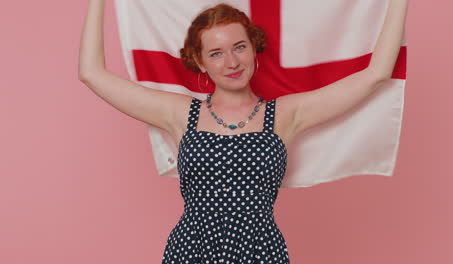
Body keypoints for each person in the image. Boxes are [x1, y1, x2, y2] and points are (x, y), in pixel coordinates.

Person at [79, 0, 408, 263]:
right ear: (200, 62)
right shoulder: (180, 114)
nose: (231, 62)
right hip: (190, 253)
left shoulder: (285, 115)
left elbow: (375, 74)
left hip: (260, 252)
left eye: (239, 47)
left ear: (254, 48)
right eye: (216, 53)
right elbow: (91, 73)